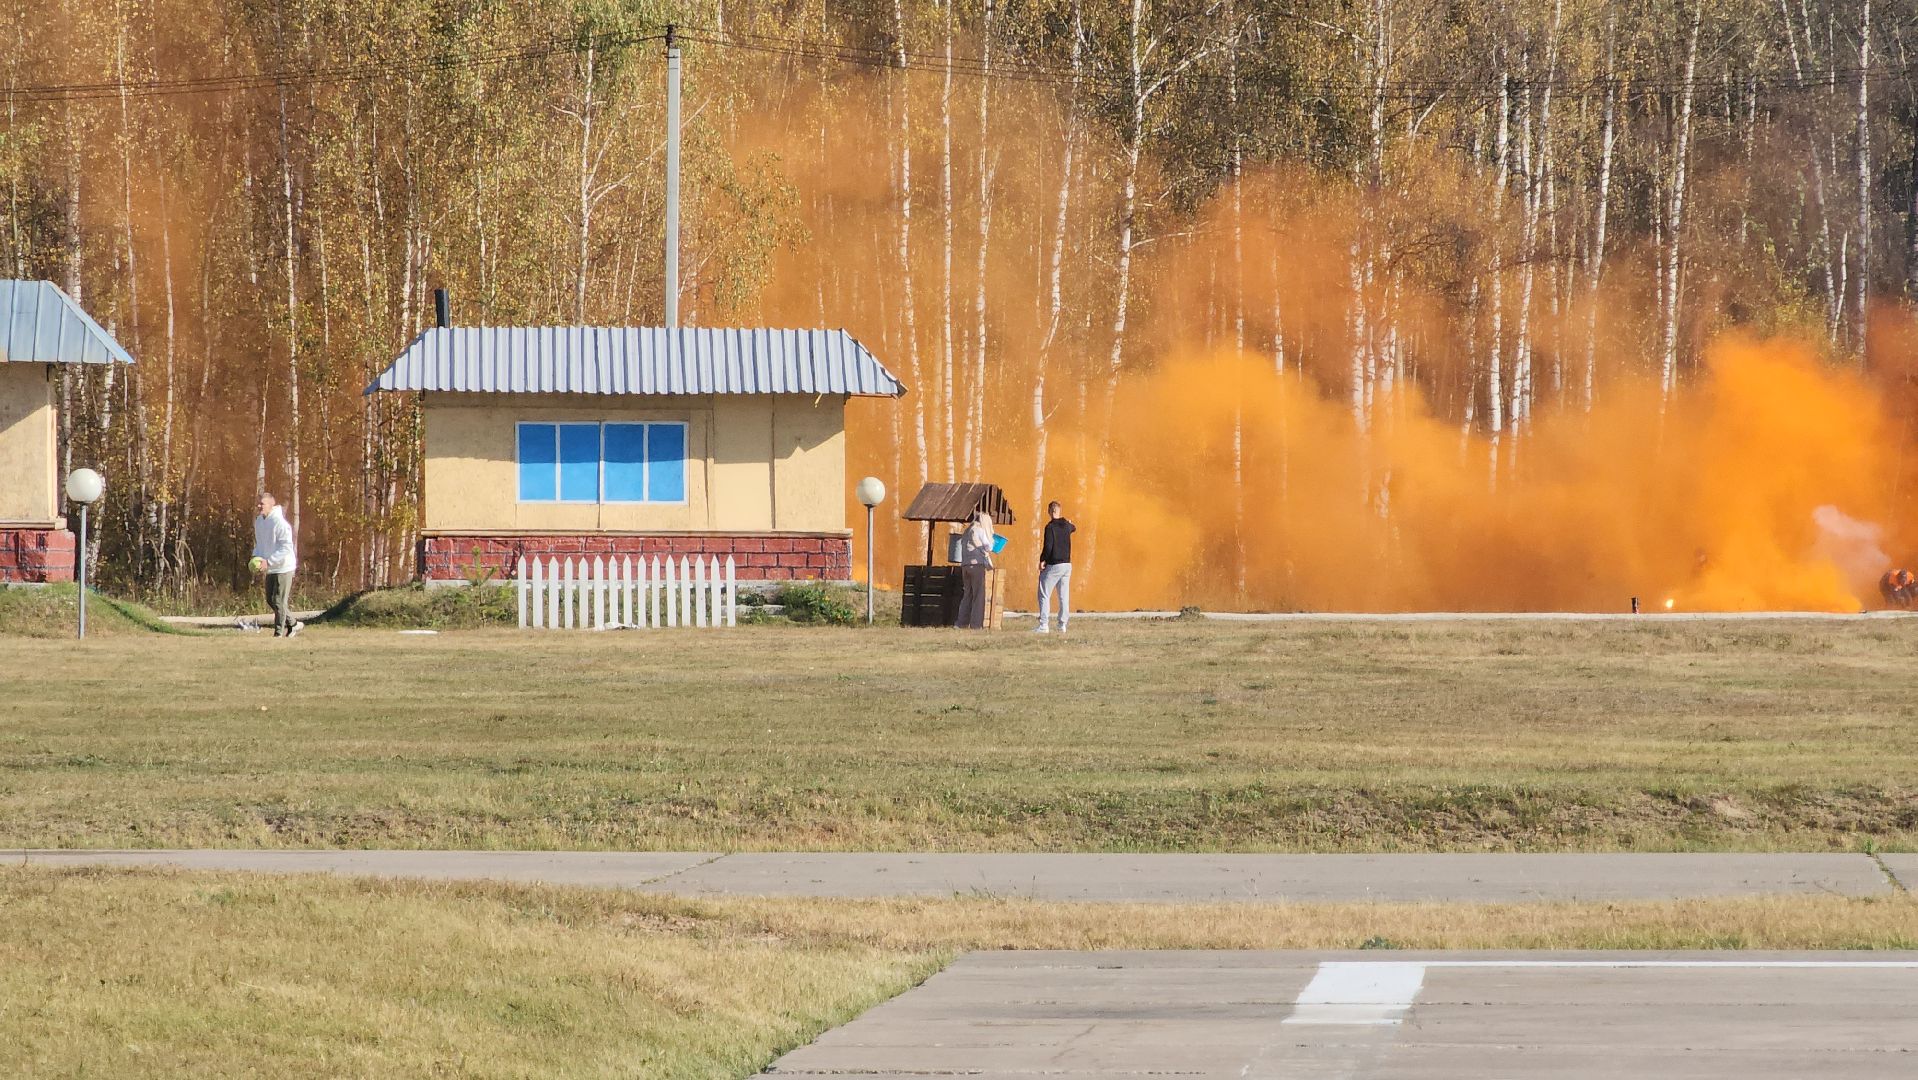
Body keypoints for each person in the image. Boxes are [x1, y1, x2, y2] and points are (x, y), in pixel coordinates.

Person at [252, 493, 302, 638]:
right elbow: (260, 544)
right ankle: (293, 623)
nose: (259, 506)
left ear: (271, 505)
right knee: (270, 599)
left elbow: (286, 547)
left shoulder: (280, 523)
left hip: (284, 566)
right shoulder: (259, 522)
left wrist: (270, 561)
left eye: (263, 504)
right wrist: (257, 558)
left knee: (279, 601)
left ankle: (278, 633)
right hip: (270, 567)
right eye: (259, 503)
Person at [1035, 500, 1075, 634]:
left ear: (1050, 511)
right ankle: (1062, 625)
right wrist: (1069, 522)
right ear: (1059, 510)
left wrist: (1042, 560)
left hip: (1054, 564)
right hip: (1067, 565)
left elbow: (1048, 547)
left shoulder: (1050, 527)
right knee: (1063, 595)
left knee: (1044, 593)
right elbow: (1074, 527)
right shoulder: (1067, 525)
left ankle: (1043, 625)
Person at [952, 509, 995, 630]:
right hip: (977, 565)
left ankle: (961, 622)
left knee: (967, 595)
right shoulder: (980, 530)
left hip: (965, 565)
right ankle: (976, 624)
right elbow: (988, 546)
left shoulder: (967, 531)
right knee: (978, 595)